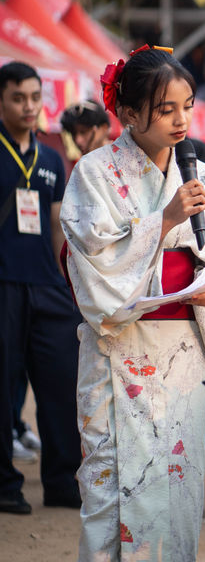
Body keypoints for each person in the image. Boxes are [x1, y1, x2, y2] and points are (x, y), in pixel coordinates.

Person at [61, 45, 205, 559]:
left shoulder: (202, 175)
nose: (182, 119)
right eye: (166, 109)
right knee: (110, 493)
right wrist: (163, 222)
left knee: (179, 488)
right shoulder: (94, 173)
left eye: (187, 105)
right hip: (119, 347)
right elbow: (94, 266)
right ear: (127, 114)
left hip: (183, 350)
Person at [0, 61, 82, 514]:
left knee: (59, 383)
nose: (29, 106)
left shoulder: (51, 158)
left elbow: (56, 230)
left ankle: (61, 481)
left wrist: (66, 286)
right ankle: (5, 484)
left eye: (35, 97)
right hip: (3, 282)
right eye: (18, 97)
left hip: (46, 286)